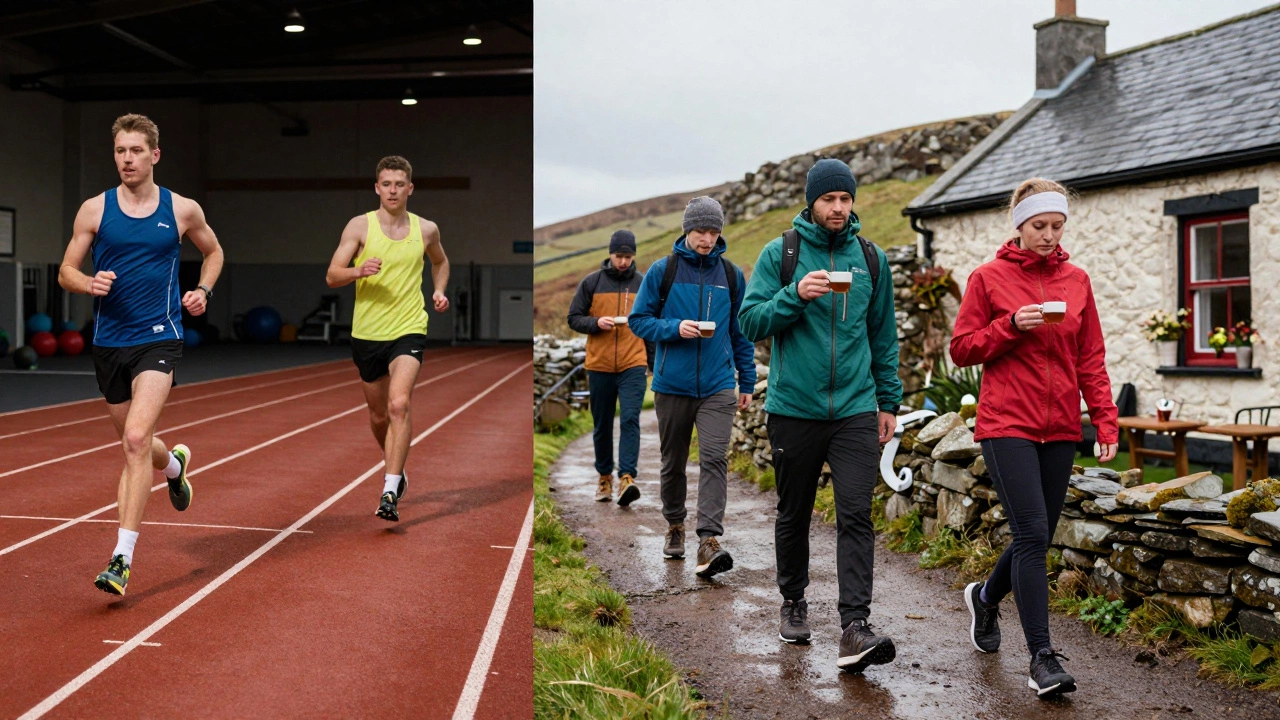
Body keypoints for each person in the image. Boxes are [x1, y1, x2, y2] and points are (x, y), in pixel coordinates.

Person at [950, 177, 1118, 698]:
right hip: (1007, 423)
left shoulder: (1077, 280)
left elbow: (1090, 357)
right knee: (1031, 533)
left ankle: (985, 598)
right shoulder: (988, 278)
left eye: (1057, 226)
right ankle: (1042, 657)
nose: (1048, 235)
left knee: (1037, 536)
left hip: (1062, 424)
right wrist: (1009, 326)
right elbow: (962, 348)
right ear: (1020, 225)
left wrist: (1105, 418)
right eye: (1039, 225)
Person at [738, 158, 902, 672]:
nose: (838, 207)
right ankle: (793, 602)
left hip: (855, 408)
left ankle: (855, 626)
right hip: (794, 408)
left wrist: (888, 402)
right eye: (829, 199)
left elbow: (883, 336)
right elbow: (749, 321)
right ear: (811, 201)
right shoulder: (781, 253)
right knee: (795, 512)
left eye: (845, 198)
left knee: (856, 513)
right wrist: (794, 295)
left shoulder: (870, 259)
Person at [58, 113, 224, 596]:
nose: (127, 159)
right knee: (139, 444)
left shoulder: (181, 209)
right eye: (120, 151)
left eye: (135, 151)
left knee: (134, 439)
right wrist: (87, 283)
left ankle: (121, 559)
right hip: (109, 342)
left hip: (160, 336)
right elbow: (66, 270)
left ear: (155, 155)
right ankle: (173, 466)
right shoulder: (94, 209)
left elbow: (213, 252)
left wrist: (203, 291)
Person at [629, 196, 755, 578]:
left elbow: (740, 332)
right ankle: (674, 525)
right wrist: (674, 328)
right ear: (687, 229)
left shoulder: (731, 275)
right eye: (701, 231)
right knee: (674, 461)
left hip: (718, 384)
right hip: (672, 385)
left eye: (714, 232)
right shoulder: (662, 271)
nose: (707, 239)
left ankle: (709, 539)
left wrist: (746, 379)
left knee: (714, 458)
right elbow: (638, 320)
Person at [326, 155, 450, 522]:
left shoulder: (426, 229)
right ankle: (396, 465)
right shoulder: (359, 226)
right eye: (386, 184)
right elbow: (332, 275)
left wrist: (438, 290)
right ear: (377, 188)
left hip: (409, 327)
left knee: (399, 405)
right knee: (380, 416)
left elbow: (440, 262)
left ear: (410, 188)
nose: (393, 191)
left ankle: (390, 490)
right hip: (367, 333)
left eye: (399, 184)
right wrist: (358, 271)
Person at [566, 230, 650, 506]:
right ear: (610, 254)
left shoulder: (643, 283)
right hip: (599, 365)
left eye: (628, 256)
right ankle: (604, 477)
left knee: (630, 419)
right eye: (619, 256)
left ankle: (627, 477)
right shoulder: (591, 282)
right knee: (602, 424)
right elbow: (573, 318)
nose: (623, 262)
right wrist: (596, 323)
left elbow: (651, 323)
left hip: (633, 362)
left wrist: (653, 363)